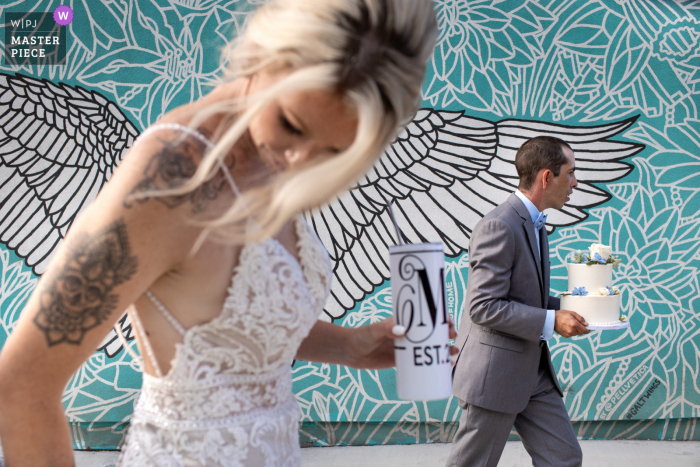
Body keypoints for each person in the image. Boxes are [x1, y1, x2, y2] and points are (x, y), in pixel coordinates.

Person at [0, 1, 442, 465]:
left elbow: (224, 328)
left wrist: (347, 346)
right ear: (259, 54)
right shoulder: (167, 181)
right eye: (291, 124)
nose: (298, 162)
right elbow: (23, 381)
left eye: (333, 151)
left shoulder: (275, 154)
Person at [447, 136, 588, 467]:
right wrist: (553, 321)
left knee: (564, 458)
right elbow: (483, 306)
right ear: (546, 177)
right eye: (571, 172)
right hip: (495, 374)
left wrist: (573, 309)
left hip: (533, 372)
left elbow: (525, 297)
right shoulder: (499, 225)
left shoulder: (534, 223)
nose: (575, 182)